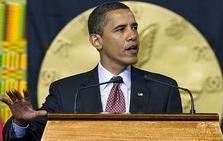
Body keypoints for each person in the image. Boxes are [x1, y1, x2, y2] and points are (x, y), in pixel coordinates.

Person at [0, 1, 182, 140]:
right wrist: (20, 122)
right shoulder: (66, 92)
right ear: (96, 41)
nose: (132, 36)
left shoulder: (164, 89)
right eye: (121, 29)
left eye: (134, 27)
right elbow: (32, 137)